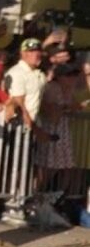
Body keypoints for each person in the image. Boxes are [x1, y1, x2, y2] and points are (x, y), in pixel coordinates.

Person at [36, 63, 81, 194]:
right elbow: (51, 113)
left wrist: (72, 107)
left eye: (75, 75)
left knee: (67, 167)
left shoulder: (69, 90)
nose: (72, 78)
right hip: (51, 131)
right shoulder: (52, 88)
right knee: (46, 168)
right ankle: (34, 193)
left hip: (63, 132)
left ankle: (58, 196)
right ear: (59, 77)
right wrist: (66, 108)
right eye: (69, 75)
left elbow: (74, 107)